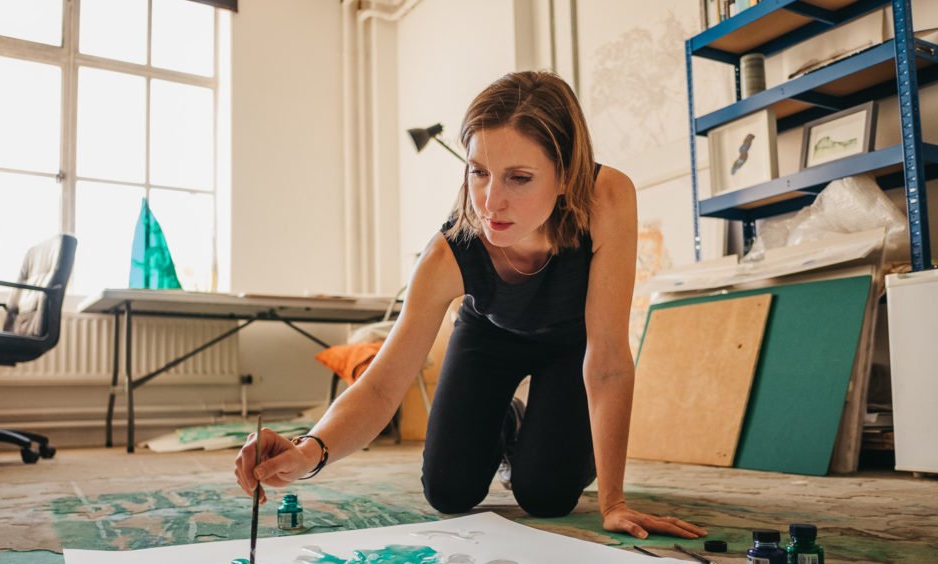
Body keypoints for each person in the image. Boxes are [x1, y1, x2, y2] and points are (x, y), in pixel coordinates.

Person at [236, 70, 705, 540]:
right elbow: (382, 387)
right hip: (490, 336)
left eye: (519, 178)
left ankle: (534, 435)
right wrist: (307, 452)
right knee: (448, 491)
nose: (491, 202)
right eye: (479, 172)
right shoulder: (447, 254)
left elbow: (606, 364)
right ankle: (505, 420)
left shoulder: (607, 197)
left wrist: (614, 502)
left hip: (571, 345)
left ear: (566, 177)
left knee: (546, 496)